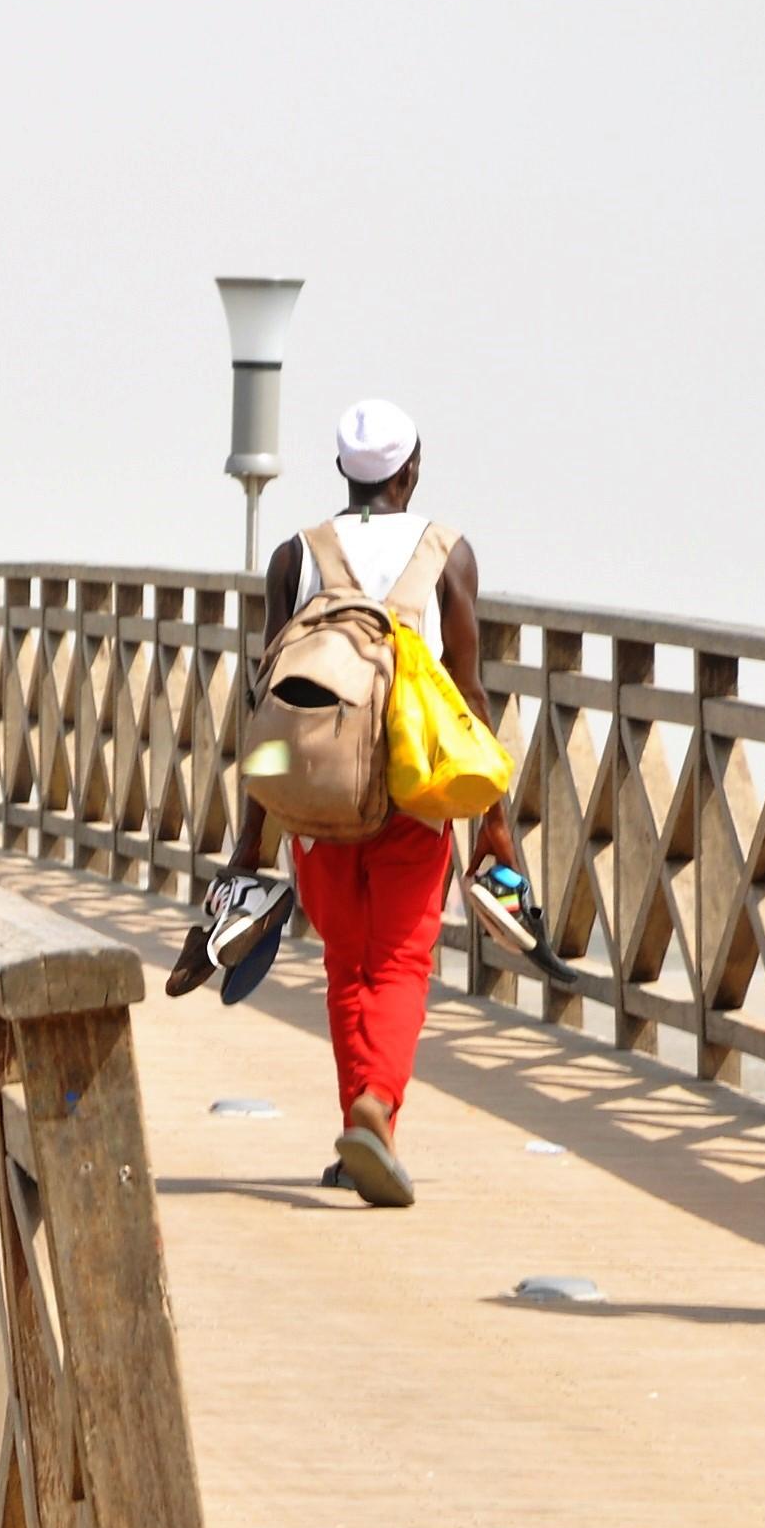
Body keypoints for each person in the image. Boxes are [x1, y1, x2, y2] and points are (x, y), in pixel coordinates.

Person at [211, 399, 518, 1209]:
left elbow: (266, 699)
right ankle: (376, 1109)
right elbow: (470, 689)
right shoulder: (444, 555)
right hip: (411, 797)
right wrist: (492, 818)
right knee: (401, 963)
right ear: (410, 469)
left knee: (346, 965)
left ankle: (357, 1137)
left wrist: (253, 834)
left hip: (315, 798)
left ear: (345, 471)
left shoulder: (295, 555)